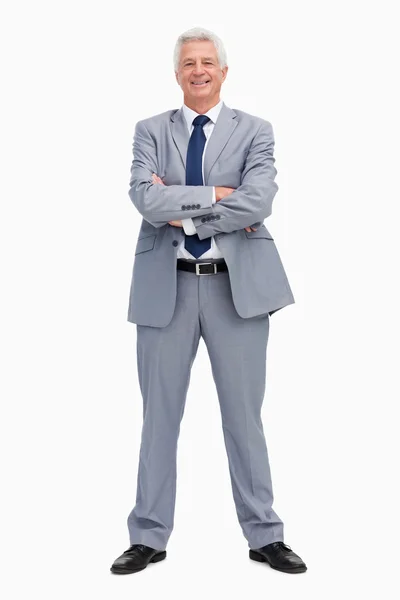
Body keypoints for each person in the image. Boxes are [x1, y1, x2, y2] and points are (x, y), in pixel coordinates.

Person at [110, 26, 307, 576]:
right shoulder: (149, 130)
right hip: (164, 289)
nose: (198, 70)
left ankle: (264, 535)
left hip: (235, 289)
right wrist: (216, 195)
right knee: (158, 418)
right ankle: (147, 536)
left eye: (207, 62)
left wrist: (182, 204)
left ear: (223, 71)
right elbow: (143, 198)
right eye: (188, 63)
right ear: (177, 75)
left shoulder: (257, 131)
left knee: (245, 418)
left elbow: (258, 200)